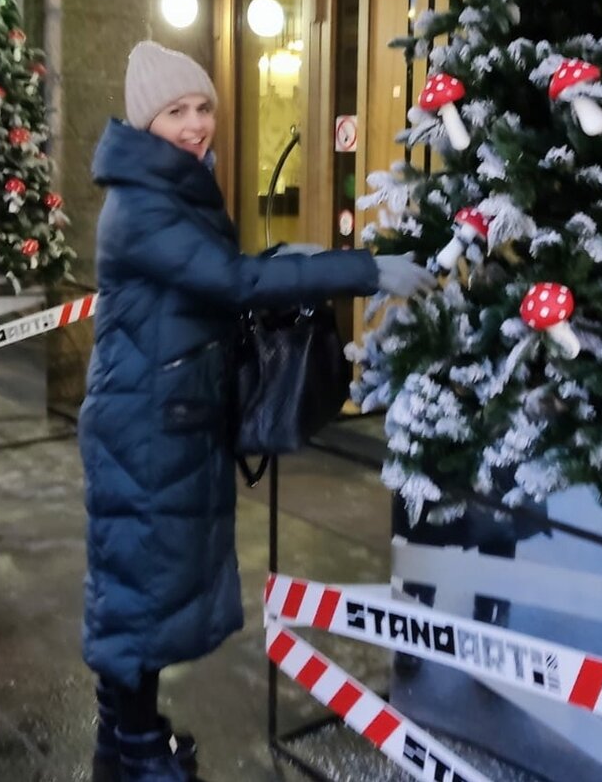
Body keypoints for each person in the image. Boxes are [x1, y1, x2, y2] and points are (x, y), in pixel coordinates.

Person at [80, 40, 432, 782]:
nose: (197, 122)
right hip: (144, 428)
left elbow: (218, 278)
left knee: (140, 590)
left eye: (204, 107)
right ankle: (138, 753)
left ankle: (122, 742)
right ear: (147, 120)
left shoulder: (169, 189)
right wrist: (363, 269)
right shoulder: (145, 205)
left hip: (161, 415)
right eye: (177, 110)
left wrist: (288, 258)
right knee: (140, 595)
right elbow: (227, 280)